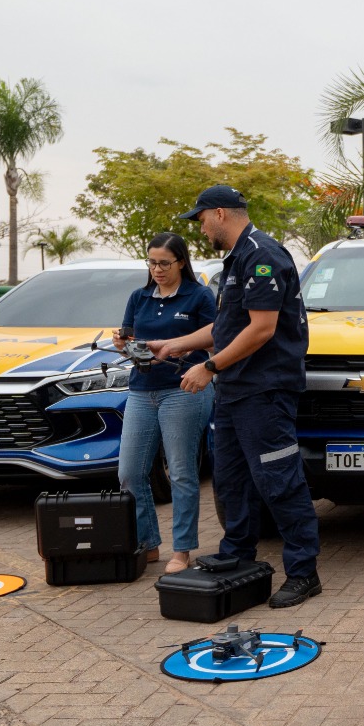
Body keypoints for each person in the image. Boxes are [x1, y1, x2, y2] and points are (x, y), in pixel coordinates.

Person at [153, 185, 321, 609]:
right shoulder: (236, 260)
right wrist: (174, 345)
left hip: (263, 391)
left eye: (202, 219)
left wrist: (209, 368)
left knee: (279, 482)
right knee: (232, 480)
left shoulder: (262, 255)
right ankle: (237, 555)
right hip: (236, 390)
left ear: (221, 213)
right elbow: (224, 328)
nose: (201, 228)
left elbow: (262, 328)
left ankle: (304, 572)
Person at [116, 233, 216, 574]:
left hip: (184, 390)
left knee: (182, 472)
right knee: (129, 472)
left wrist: (181, 346)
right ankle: (147, 543)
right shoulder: (139, 297)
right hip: (142, 390)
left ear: (181, 263)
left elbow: (218, 334)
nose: (156, 269)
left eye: (164, 263)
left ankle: (183, 550)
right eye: (152, 262)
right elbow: (131, 342)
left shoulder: (199, 296)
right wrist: (122, 343)